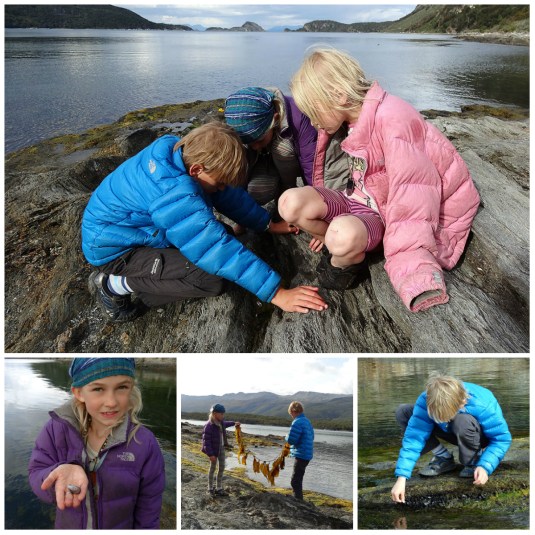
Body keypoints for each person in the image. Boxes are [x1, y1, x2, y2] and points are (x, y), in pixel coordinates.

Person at [282, 47, 480, 311]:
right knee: (290, 203)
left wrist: (415, 275)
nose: (314, 123)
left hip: (383, 214)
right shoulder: (353, 118)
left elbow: (414, 199)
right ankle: (344, 244)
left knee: (340, 236)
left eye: (315, 114)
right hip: (356, 199)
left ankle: (346, 259)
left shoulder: (393, 121)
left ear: (339, 96)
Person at [81, 121, 327, 322]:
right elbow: (213, 248)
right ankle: (113, 285)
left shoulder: (179, 151)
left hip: (136, 230)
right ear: (197, 170)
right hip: (118, 251)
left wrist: (267, 224)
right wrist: (276, 293)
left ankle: (136, 278)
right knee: (210, 280)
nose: (221, 188)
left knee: (224, 233)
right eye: (219, 182)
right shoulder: (172, 191)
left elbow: (226, 195)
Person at [28, 358, 166, 529]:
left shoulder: (145, 443)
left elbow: (149, 511)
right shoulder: (57, 429)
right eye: (98, 389)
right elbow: (36, 473)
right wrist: (58, 475)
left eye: (122, 387)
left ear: (131, 388)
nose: (111, 402)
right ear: (79, 392)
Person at [391, 373, 512, 504]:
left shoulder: (482, 404)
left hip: (475, 433)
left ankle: (473, 461)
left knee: (462, 421)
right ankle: (443, 458)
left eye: (446, 416)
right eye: (438, 417)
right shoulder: (427, 400)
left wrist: (485, 466)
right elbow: (414, 437)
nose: (443, 419)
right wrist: (402, 478)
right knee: (404, 411)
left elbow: (501, 439)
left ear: (462, 403)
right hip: (450, 430)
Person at [225, 86, 318, 207]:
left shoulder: (299, 117)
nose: (254, 146)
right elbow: (237, 178)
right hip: (265, 161)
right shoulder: (238, 125)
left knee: (282, 149)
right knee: (257, 191)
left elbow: (312, 167)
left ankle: (287, 188)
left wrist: (315, 203)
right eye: (249, 142)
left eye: (259, 140)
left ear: (275, 119)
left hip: (292, 162)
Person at [201, 404, 240, 497]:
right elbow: (206, 442)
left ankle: (219, 488)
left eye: (223, 414)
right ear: (214, 413)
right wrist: (210, 455)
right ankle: (210, 488)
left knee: (221, 468)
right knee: (212, 469)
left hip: (221, 448)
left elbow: (226, 423)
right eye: (221, 414)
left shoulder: (221, 422)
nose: (223, 416)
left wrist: (234, 423)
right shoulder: (209, 426)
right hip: (213, 451)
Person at [285, 401, 314, 500]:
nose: (291, 415)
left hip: (301, 454)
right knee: (298, 478)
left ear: (293, 411)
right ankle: (299, 499)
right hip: (307, 454)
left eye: (290, 413)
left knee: (295, 481)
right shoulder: (306, 421)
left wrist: (286, 437)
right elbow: (312, 437)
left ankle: (298, 502)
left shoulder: (297, 422)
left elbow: (291, 440)